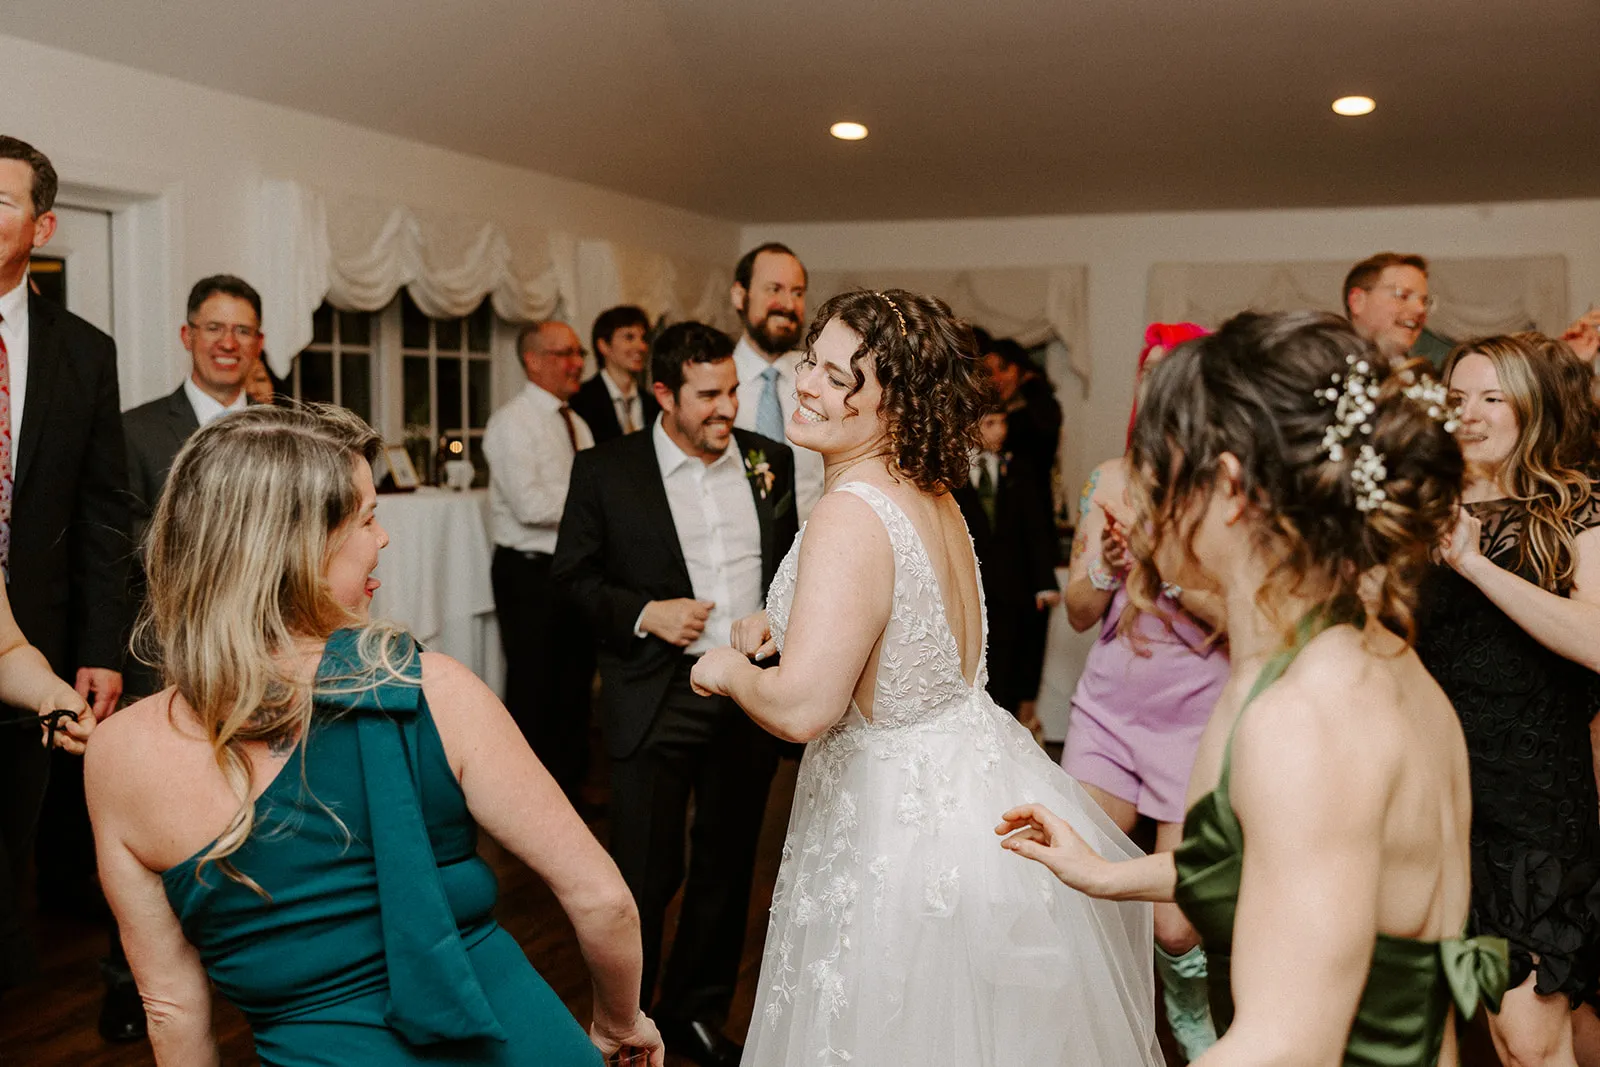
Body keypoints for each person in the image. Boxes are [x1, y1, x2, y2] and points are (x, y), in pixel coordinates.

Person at [84, 404, 663, 1067]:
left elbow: (171, 1009)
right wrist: (620, 1022)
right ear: (297, 546)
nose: (382, 538)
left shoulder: (117, 754)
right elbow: (603, 899)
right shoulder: (433, 691)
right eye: (365, 517)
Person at [1001, 311, 1508, 1066]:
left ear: (1230, 487)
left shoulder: (1303, 719)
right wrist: (1106, 871)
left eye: (1163, 465)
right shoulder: (1371, 659)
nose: (1144, 489)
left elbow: (1283, 1044)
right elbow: (1287, 856)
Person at [691, 289, 1161, 1067]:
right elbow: (904, 631)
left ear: (896, 402)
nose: (809, 384)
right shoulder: (933, 496)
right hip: (975, 778)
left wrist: (730, 669)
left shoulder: (849, 511)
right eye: (812, 361)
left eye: (842, 377)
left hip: (895, 820)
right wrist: (781, 625)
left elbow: (807, 705)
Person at [553, 321, 796, 1067]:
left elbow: (790, 564)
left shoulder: (770, 460)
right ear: (663, 393)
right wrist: (644, 612)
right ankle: (627, 1020)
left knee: (728, 867)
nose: (728, 407)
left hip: (746, 691)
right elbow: (570, 581)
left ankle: (696, 1012)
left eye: (731, 391)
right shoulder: (606, 470)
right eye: (709, 395)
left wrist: (777, 623)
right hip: (657, 693)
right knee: (645, 872)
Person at [1417, 332, 1600, 1067]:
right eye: (1456, 398)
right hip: (1433, 804)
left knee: (1529, 1039)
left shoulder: (1574, 509)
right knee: (1473, 1027)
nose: (1470, 414)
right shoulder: (1410, 515)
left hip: (1531, 811)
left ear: (1532, 408)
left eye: (1493, 397)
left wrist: (1470, 563)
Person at [1058, 320, 1228, 1062]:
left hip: (1196, 721)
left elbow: (1246, 619)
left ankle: (1187, 1002)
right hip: (1106, 714)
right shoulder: (1110, 480)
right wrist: (1106, 566)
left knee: (1173, 924)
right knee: (1073, 883)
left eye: (1175, 372)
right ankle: (1094, 1029)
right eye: (1149, 372)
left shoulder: (1231, 489)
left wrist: (1164, 570)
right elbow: (1077, 611)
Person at [0, 135, 131, 1016]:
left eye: (0, 200)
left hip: (31, 643)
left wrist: (96, 646)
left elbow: (101, 511)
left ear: (41, 225)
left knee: (12, 837)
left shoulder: (83, 351)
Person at [125, 275, 265, 693]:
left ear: (258, 343)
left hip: (269, 653)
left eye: (242, 331)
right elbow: (122, 542)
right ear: (188, 336)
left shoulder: (287, 430)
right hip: (168, 657)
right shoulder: (134, 431)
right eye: (214, 328)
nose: (229, 342)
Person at [483, 321, 595, 804]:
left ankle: (569, 791)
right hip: (528, 574)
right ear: (533, 360)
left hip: (572, 572)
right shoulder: (511, 422)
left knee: (574, 687)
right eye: (564, 353)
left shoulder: (578, 420)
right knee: (534, 689)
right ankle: (526, 801)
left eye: (578, 352)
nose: (577, 363)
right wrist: (594, 507)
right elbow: (530, 505)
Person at [951, 405, 1059, 732]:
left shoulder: (1019, 470)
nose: (1000, 431)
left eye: (1003, 422)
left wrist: (1044, 581)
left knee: (1010, 667)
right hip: (968, 589)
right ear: (969, 427)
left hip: (1012, 587)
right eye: (990, 423)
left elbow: (1036, 528)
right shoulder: (951, 473)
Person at [729, 242, 825, 519]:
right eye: (774, 289)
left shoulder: (822, 379)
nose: (788, 304)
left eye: (797, 292)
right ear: (739, 295)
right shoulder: (712, 387)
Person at [569, 304, 659, 444]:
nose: (642, 347)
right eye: (629, 337)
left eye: (643, 339)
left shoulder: (654, 404)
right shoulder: (579, 401)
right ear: (603, 345)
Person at [1343, 251, 1434, 367]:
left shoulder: (1429, 376)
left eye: (1424, 301)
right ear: (1357, 301)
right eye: (1403, 296)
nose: (1420, 309)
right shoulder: (1321, 368)